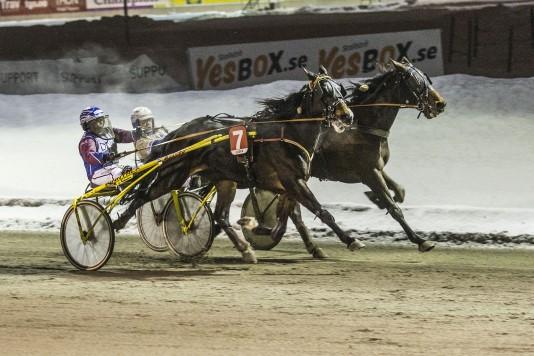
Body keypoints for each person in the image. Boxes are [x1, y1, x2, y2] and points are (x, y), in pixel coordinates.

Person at [78, 106, 135, 187]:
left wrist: (138, 134)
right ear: (87, 125)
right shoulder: (87, 141)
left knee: (138, 168)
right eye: (97, 121)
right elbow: (89, 155)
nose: (101, 123)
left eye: (101, 120)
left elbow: (123, 135)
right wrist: (104, 157)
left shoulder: (108, 132)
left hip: (112, 169)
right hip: (97, 175)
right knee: (124, 173)